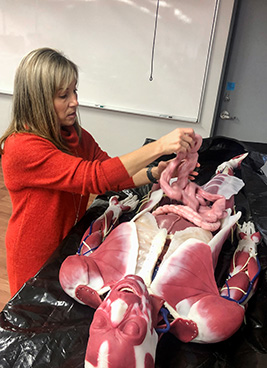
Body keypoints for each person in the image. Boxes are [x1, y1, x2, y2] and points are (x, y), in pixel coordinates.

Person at [0, 47, 196, 297]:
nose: (75, 102)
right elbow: (93, 177)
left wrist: (154, 173)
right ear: (38, 100)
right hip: (35, 256)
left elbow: (111, 176)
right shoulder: (22, 147)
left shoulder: (74, 135)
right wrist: (159, 147)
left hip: (69, 243)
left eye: (74, 91)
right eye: (63, 95)